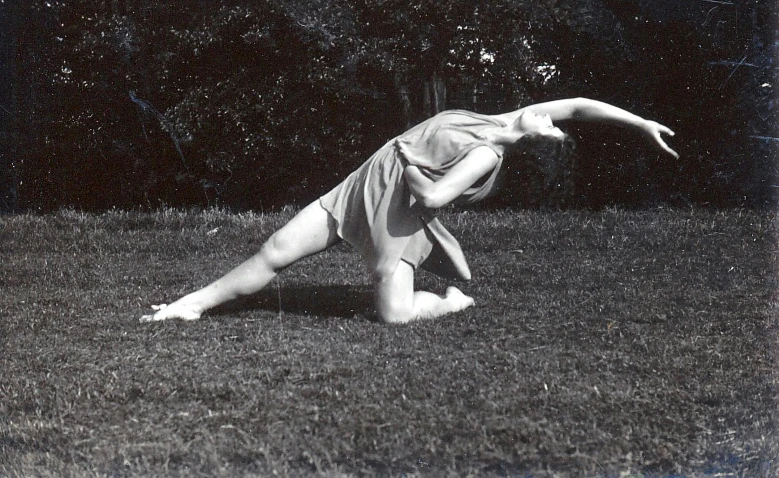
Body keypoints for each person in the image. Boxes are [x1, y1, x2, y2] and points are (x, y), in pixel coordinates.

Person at [141, 97, 678, 324]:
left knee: (395, 317)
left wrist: (408, 162)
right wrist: (641, 125)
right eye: (553, 118)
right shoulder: (505, 117)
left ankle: (449, 302)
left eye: (555, 127)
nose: (555, 116)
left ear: (539, 142)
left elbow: (433, 199)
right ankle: (191, 305)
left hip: (397, 211)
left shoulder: (489, 151)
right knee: (276, 249)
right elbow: (584, 104)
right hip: (366, 183)